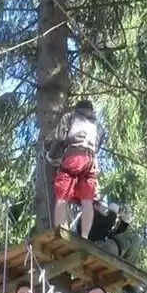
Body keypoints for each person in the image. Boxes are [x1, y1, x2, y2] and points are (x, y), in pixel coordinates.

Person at [51, 100, 101, 235]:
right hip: (92, 162)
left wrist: (51, 155)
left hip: (75, 156)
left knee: (62, 195)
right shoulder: (95, 125)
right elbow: (98, 145)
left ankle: (62, 230)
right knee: (87, 200)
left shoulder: (70, 117)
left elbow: (59, 137)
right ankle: (84, 236)